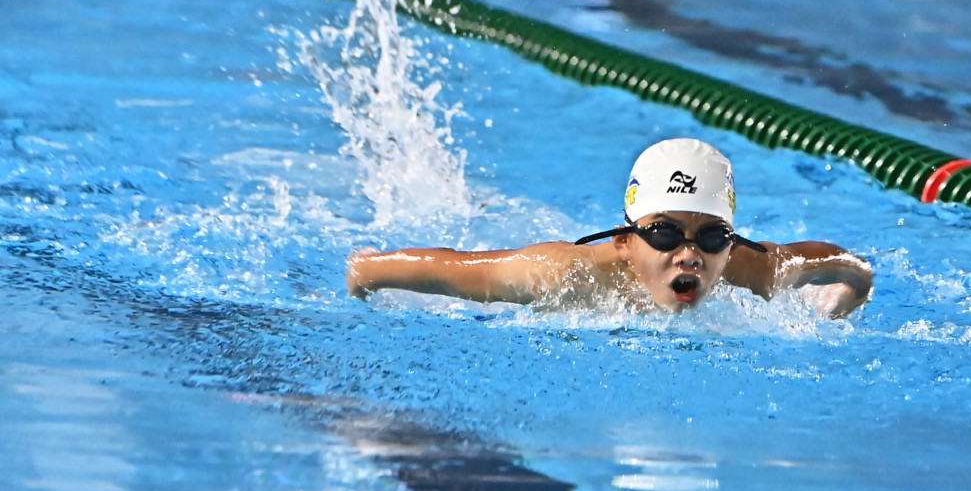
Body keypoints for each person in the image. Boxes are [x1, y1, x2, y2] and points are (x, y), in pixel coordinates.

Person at [345, 138, 872, 316]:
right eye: (664, 233)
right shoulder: (558, 275)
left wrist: (835, 313)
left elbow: (854, 271)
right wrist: (366, 272)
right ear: (624, 240)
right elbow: (451, 270)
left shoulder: (754, 271)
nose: (690, 255)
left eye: (711, 237)